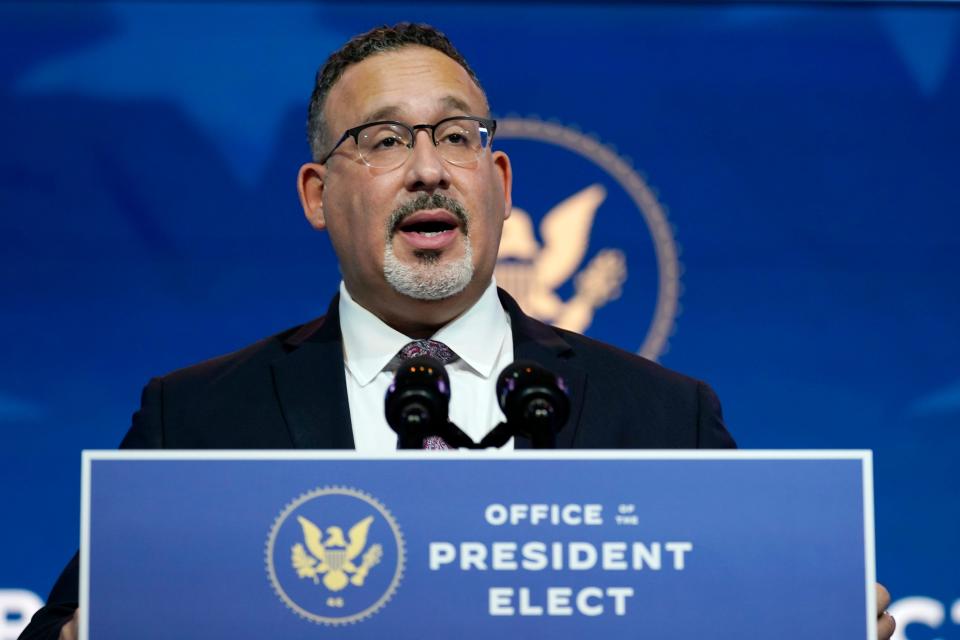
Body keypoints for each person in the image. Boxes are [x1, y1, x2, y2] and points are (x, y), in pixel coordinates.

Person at [20, 23, 894, 640]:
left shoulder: (664, 418)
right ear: (317, 196)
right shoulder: (197, 419)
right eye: (386, 140)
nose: (430, 168)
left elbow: (745, 615)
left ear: (501, 182)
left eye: (456, 136)